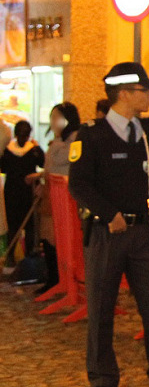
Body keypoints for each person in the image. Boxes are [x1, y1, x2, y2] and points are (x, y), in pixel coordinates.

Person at [69, 62, 149, 387]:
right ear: (125, 94)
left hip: (145, 232)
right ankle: (103, 381)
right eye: (144, 91)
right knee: (101, 308)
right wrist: (109, 214)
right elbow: (79, 184)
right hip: (108, 234)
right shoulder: (91, 135)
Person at [33, 102, 81, 296]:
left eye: (57, 118)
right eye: (52, 117)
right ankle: (53, 278)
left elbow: (62, 161)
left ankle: (63, 279)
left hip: (66, 198)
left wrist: (57, 142)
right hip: (51, 195)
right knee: (48, 237)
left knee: (59, 239)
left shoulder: (75, 139)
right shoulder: (58, 141)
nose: (53, 122)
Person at [1, 120, 44, 258]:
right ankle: (29, 256)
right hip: (27, 193)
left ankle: (10, 256)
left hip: (11, 192)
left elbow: (3, 168)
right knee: (29, 225)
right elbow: (43, 163)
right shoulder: (34, 150)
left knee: (12, 226)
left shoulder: (7, 151)